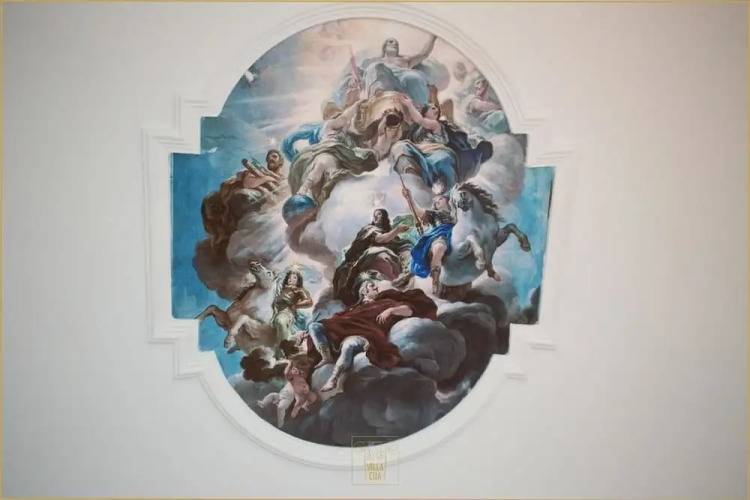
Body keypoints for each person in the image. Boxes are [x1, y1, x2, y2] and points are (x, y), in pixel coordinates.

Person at [304, 279, 438, 391]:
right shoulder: (354, 308)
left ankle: (333, 379)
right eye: (372, 286)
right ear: (364, 291)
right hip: (343, 333)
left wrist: (391, 310)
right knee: (314, 326)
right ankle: (326, 357)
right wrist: (307, 334)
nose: (376, 287)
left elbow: (409, 311)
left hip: (369, 334)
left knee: (349, 345)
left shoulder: (385, 302)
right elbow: (338, 321)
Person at [286, 99, 379, 207]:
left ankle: (331, 176)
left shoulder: (347, 133)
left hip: (342, 154)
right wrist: (356, 104)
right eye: (332, 114)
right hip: (329, 149)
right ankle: (306, 187)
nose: (337, 116)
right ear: (326, 117)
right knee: (322, 163)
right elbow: (344, 118)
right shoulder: (329, 125)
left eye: (338, 112)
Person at [389, 94, 492, 192]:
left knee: (443, 159)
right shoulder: (416, 129)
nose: (437, 110)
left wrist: (409, 105)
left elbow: (420, 120)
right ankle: (411, 175)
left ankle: (444, 190)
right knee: (399, 147)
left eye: (437, 109)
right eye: (433, 108)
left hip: (435, 152)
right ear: (425, 112)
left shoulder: (435, 124)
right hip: (420, 153)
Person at [332, 208, 412, 305]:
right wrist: (397, 230)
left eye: (378, 214)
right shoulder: (369, 229)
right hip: (366, 258)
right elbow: (380, 239)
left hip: (388, 259)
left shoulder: (388, 232)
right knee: (382, 255)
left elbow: (400, 245)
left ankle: (392, 287)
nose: (375, 216)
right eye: (374, 214)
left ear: (384, 217)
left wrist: (406, 251)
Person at [401, 182, 455, 293]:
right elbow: (418, 211)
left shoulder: (457, 213)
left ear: (447, 200)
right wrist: (409, 198)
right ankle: (435, 280)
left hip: (456, 232)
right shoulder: (434, 214)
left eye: (440, 199)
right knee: (439, 248)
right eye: (436, 201)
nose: (437, 201)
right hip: (441, 233)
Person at [271, 269, 313, 347]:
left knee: (281, 321)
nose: (291, 279)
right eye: (289, 277)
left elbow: (308, 301)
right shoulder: (280, 287)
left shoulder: (298, 290)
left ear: (298, 281)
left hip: (286, 312)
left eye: (294, 277)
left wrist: (296, 305)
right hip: (274, 310)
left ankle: (284, 347)